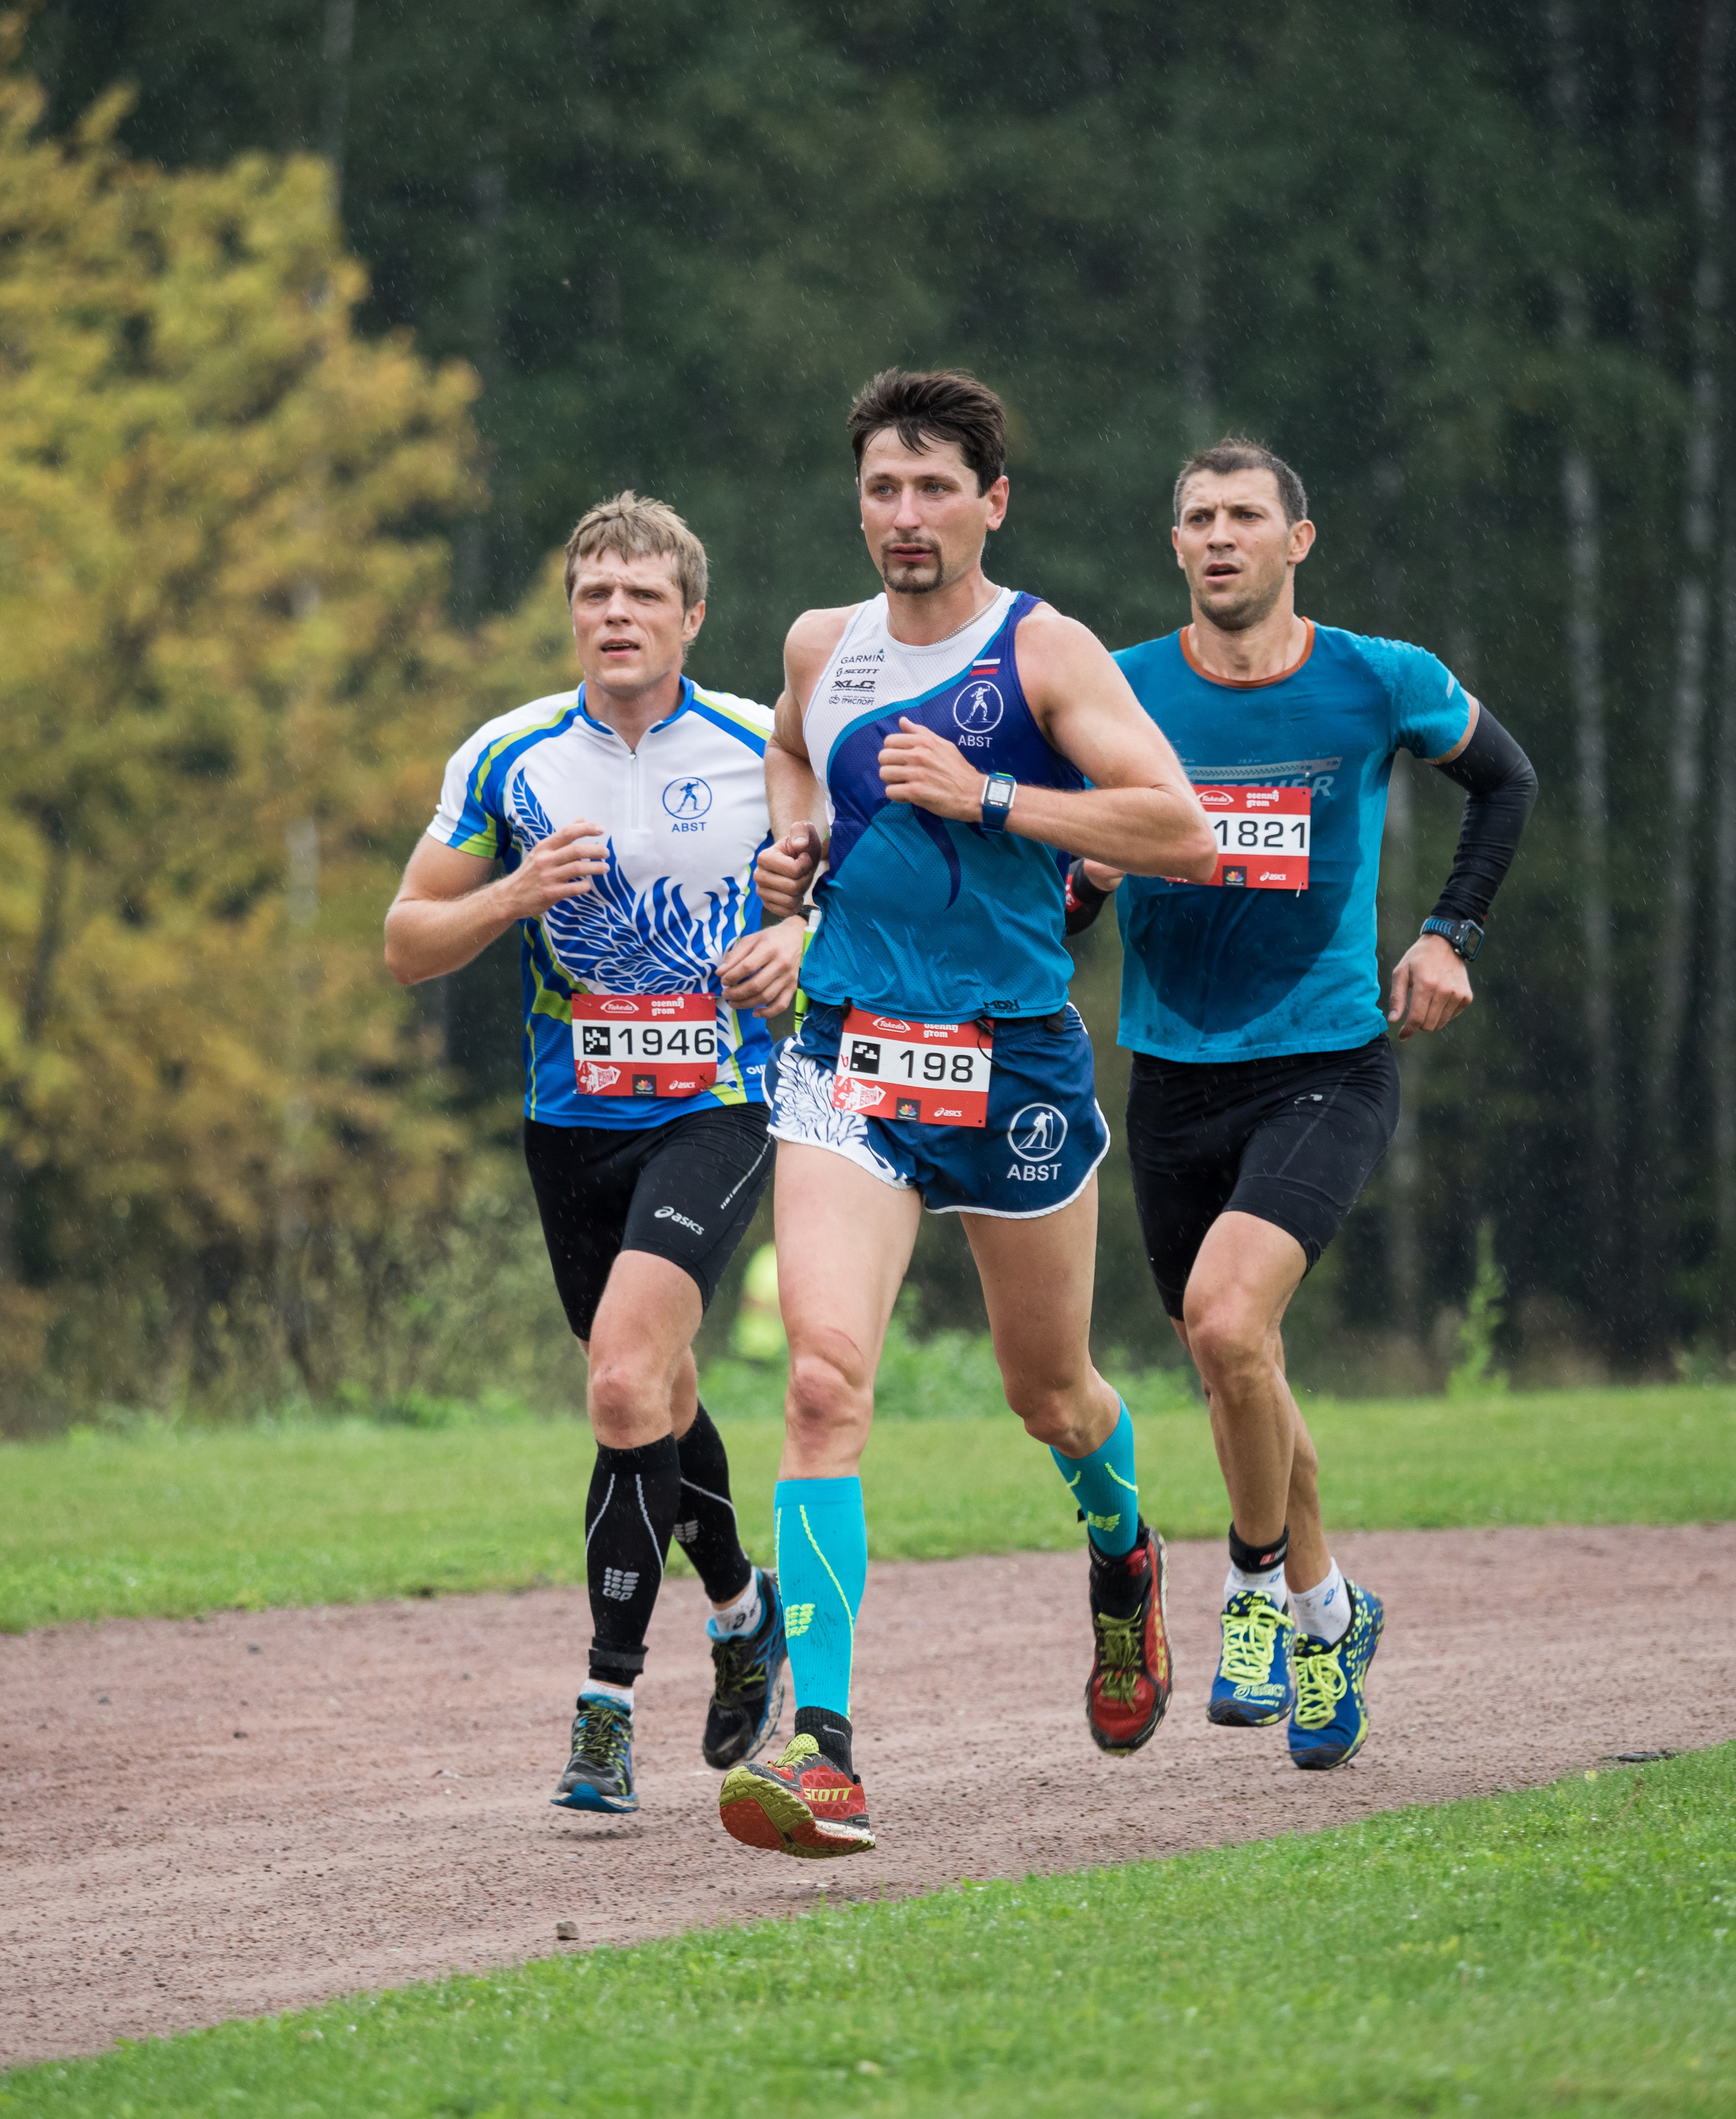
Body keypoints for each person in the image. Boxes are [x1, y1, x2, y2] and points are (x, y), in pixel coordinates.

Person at [715, 369, 1217, 1860]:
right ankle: (822, 1753)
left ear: (990, 503)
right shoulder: (821, 643)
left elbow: (1179, 829)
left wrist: (994, 801)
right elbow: (797, 750)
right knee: (819, 1384)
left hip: (1012, 1070)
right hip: (853, 1054)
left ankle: (1122, 1554)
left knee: (1047, 1395)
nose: (905, 515)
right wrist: (791, 851)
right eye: (882, 487)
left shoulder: (1042, 652)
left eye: (935, 487)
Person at [1068, 436, 1537, 1770]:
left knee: (1224, 1321)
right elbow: (1082, 859)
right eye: (1196, 519)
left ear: (1295, 541)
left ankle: (1256, 1591)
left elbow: (1504, 782)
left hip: (1324, 1061)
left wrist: (1448, 932)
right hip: (1168, 1076)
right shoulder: (1119, 690)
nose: (1219, 538)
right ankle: (1336, 1613)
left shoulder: (1376, 680)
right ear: (1174, 548)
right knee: (1239, 1361)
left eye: (1243, 517)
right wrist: (1068, 898)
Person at [384, 492, 806, 1816]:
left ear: (690, 616)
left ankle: (605, 1708)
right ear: (573, 615)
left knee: (622, 1383)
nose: (612, 615)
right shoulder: (507, 759)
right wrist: (509, 895)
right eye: (592, 594)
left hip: (721, 1107)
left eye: (639, 595)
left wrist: (798, 948)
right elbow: (405, 938)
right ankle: (742, 1610)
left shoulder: (764, 747)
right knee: (660, 1391)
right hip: (570, 1125)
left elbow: (863, 903)